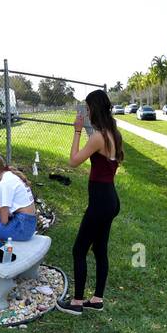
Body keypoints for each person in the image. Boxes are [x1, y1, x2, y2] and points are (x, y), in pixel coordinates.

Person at [58, 89, 124, 315]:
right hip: (110, 199)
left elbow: (73, 162)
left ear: (94, 108)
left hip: (101, 202)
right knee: (99, 249)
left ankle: (76, 303)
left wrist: (76, 132)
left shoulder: (98, 137)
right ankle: (96, 299)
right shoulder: (113, 133)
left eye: (87, 108)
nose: (86, 112)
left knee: (79, 250)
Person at [0, 153, 38, 262]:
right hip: (26, 222)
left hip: (22, 227)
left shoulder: (4, 184)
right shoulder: (9, 176)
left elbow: (4, 221)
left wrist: (6, 214)